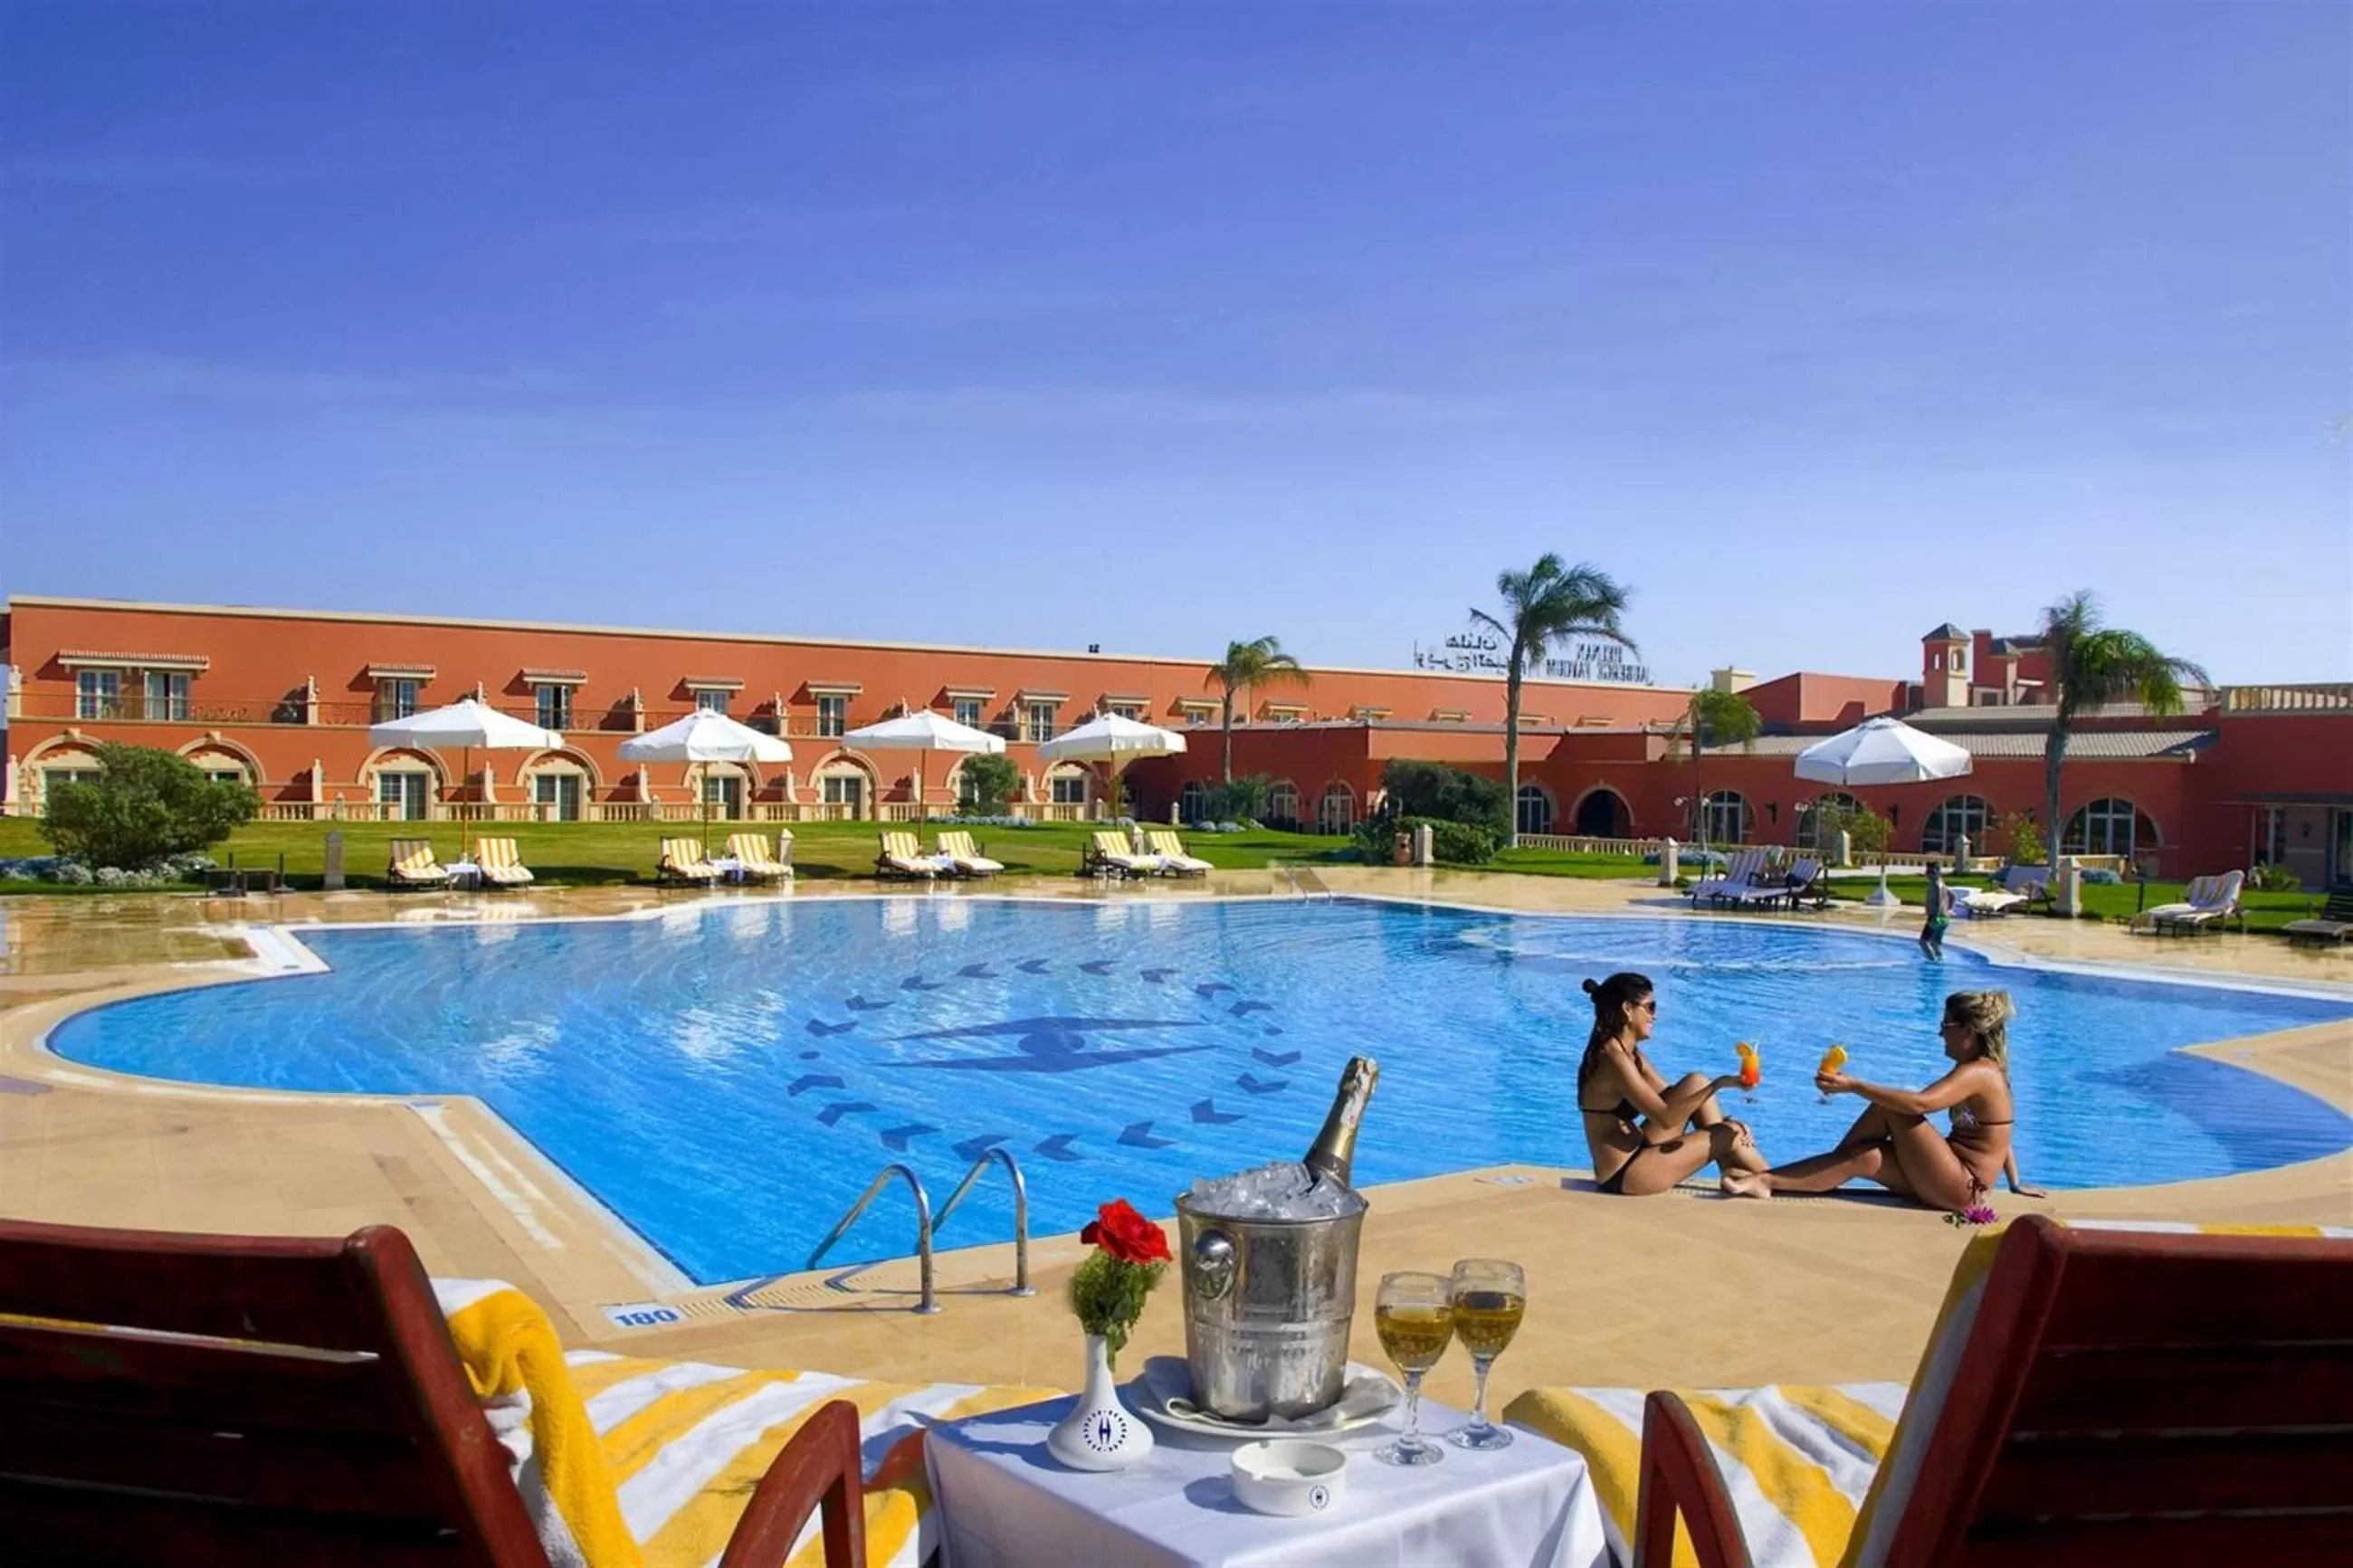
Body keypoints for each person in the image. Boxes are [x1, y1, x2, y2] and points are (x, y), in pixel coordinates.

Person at [1722, 990, 2046, 1211]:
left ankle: (1816, 1167)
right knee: (1863, 1158)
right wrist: (2015, 1184)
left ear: (1969, 1031)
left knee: (1889, 1107)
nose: (1939, 1034)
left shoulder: (1980, 1073)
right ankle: (1768, 1180)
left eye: (1945, 1026)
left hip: (1963, 1188)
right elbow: (2002, 1136)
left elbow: (1921, 1105)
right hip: (1945, 1177)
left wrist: (1854, 1086)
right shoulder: (1978, 1072)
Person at [1577, 972, 1767, 1195]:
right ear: (1628, 1009)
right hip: (1625, 1173)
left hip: (1639, 1151)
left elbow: (1678, 1099)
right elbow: (1666, 1118)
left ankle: (1733, 1172)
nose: (1654, 1016)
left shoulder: (1631, 1055)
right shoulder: (1614, 1060)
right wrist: (1718, 1085)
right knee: (1730, 1132)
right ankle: (1776, 1181)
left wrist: (1724, 1116)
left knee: (1696, 1082)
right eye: (1650, 1007)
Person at [1920, 861, 1948, 960]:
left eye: (1931, 871)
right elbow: (1952, 896)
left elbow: (1939, 900)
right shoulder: (1942, 883)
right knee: (1934, 943)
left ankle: (1932, 964)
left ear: (1938, 872)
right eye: (1927, 871)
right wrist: (1949, 909)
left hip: (1936, 917)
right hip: (1945, 918)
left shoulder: (1936, 884)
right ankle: (1940, 961)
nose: (1928, 873)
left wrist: (1935, 917)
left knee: (1923, 942)